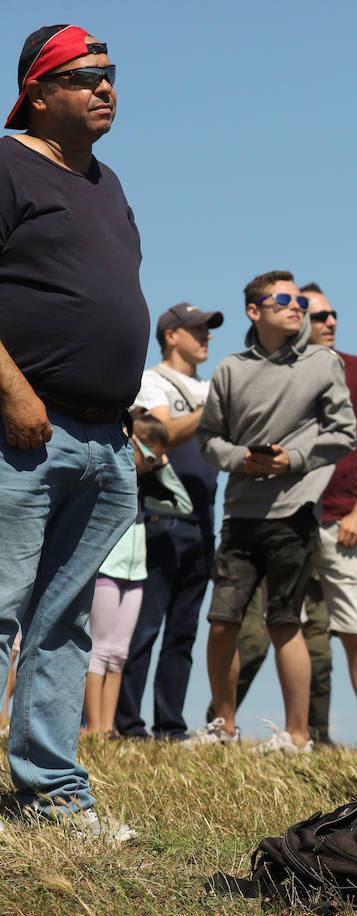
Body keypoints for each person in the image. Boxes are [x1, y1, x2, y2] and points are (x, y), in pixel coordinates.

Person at [0, 24, 146, 840]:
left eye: (111, 75)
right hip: (22, 431)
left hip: (101, 441)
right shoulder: (4, 164)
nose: (105, 88)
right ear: (37, 91)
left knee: (63, 623)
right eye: (85, 76)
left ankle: (52, 795)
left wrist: (116, 413)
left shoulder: (106, 181)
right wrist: (16, 395)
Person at [190, 270, 354, 753]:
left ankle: (297, 735)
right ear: (253, 310)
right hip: (239, 513)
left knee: (286, 622)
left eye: (300, 300)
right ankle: (224, 726)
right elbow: (207, 440)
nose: (296, 307)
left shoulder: (324, 364)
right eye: (283, 299)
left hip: (294, 510)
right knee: (222, 622)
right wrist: (240, 458)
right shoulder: (229, 370)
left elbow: (344, 433)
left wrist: (294, 460)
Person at [229, 283, 357, 748]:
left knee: (354, 630)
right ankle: (268, 731)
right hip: (284, 517)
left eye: (332, 314)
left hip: (342, 520)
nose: (330, 322)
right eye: (319, 316)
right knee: (275, 626)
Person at [117, 302, 223, 741]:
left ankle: (171, 726)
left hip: (203, 517)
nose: (206, 336)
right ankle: (126, 725)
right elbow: (159, 435)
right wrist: (219, 405)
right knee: (145, 625)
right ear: (170, 335)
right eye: (196, 328)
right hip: (161, 512)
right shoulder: (151, 381)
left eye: (208, 329)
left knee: (183, 631)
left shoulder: (209, 386)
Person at [85, 411, 191, 737]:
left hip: (135, 575)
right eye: (151, 454)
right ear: (132, 443)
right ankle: (93, 725)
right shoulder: (109, 478)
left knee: (119, 652)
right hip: (105, 570)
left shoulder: (146, 487)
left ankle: (107, 728)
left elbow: (183, 505)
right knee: (100, 649)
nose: (153, 461)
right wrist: (127, 449)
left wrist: (162, 465)